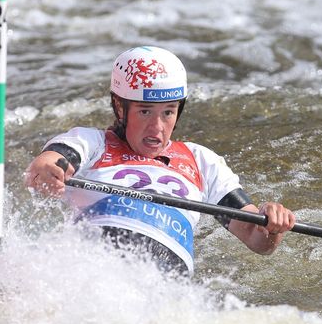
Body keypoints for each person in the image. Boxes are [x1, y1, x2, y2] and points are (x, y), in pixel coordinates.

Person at [25, 46, 295, 274]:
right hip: (93, 264)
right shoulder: (91, 143)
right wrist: (48, 171)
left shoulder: (201, 161)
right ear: (120, 108)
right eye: (145, 112)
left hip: (167, 274)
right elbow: (52, 161)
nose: (157, 127)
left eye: (168, 112)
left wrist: (272, 225)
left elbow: (255, 238)